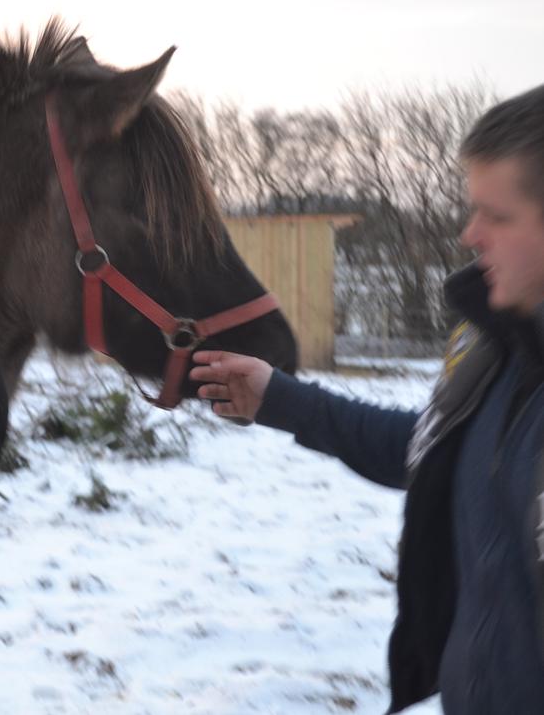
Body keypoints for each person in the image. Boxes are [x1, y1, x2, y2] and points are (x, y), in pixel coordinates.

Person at [189, 84, 544, 714]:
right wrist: (281, 399)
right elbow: (431, 451)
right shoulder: (498, 351)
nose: (469, 235)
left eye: (497, 215)